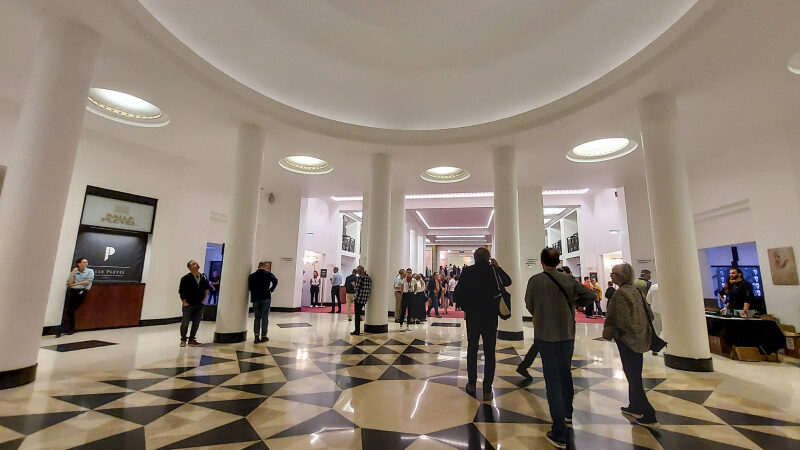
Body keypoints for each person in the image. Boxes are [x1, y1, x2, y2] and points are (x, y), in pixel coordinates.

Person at [524, 248, 596, 448]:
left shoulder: (535, 281)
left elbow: (529, 304)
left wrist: (542, 311)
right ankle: (568, 414)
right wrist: (574, 303)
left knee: (552, 380)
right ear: (557, 261)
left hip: (545, 335)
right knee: (565, 374)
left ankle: (559, 430)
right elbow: (590, 296)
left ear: (542, 261)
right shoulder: (568, 279)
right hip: (566, 334)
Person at [603, 263, 659, 428]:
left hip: (628, 341)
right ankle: (634, 405)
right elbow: (649, 314)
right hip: (640, 338)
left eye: (613, 274)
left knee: (633, 376)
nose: (611, 276)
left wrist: (616, 333)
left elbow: (621, 319)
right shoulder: (636, 291)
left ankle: (649, 413)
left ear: (619, 277)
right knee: (634, 373)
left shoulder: (620, 294)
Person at [453, 247, 511, 401]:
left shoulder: (468, 272)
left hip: (473, 316)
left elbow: (457, 295)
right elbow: (508, 282)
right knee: (489, 351)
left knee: (472, 349)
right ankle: (487, 389)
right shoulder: (493, 271)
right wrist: (498, 267)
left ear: (474, 258)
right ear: (489, 258)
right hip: (490, 317)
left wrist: (467, 307)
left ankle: (472, 383)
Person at [57, 257, 95, 337]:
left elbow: (87, 282)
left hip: (81, 291)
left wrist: (74, 284)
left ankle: (64, 329)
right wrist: (72, 273)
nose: (86, 264)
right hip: (73, 292)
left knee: (71, 310)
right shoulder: (75, 271)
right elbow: (69, 282)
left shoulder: (90, 271)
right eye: (84, 262)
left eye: (86, 262)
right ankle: (69, 329)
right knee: (69, 310)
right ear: (79, 264)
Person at [178, 260, 210, 347]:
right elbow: (181, 291)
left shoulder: (203, 277)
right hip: (189, 304)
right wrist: (184, 302)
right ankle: (183, 339)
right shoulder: (185, 278)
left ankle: (192, 339)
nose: (196, 264)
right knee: (185, 322)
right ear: (190, 267)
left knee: (196, 322)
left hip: (199, 304)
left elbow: (207, 288)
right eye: (193, 264)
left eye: (196, 263)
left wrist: (204, 300)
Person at [248, 261, 278, 343]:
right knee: (265, 317)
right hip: (265, 297)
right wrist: (271, 289)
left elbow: (250, 287)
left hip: (255, 298)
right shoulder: (268, 274)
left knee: (257, 317)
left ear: (258, 266)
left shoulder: (252, 276)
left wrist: (254, 292)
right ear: (265, 267)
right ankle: (264, 336)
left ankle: (256, 336)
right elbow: (275, 281)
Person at [351, 265, 371, 336]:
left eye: (358, 271)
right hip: (364, 299)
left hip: (359, 298)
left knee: (357, 315)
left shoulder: (360, 277)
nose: (357, 272)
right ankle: (357, 330)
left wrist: (354, 285)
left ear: (360, 271)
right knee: (359, 314)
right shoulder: (368, 277)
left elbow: (357, 288)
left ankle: (357, 330)